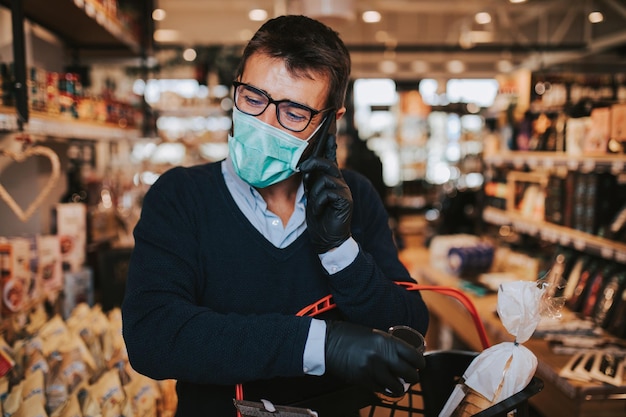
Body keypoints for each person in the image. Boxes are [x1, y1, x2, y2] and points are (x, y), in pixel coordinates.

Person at [122, 15, 429, 417]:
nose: (264, 123)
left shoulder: (356, 199)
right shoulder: (181, 196)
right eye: (253, 98)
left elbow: (409, 325)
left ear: (329, 124)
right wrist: (321, 344)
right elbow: (154, 334)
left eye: (294, 113)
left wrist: (341, 253)